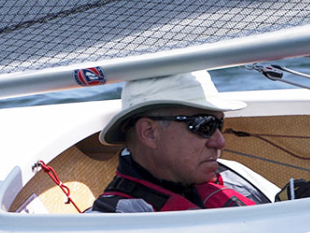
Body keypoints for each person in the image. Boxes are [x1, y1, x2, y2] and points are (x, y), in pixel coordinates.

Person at [87, 70, 273, 213]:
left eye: (219, 124)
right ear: (149, 133)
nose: (219, 142)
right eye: (204, 125)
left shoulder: (235, 172)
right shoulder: (110, 224)